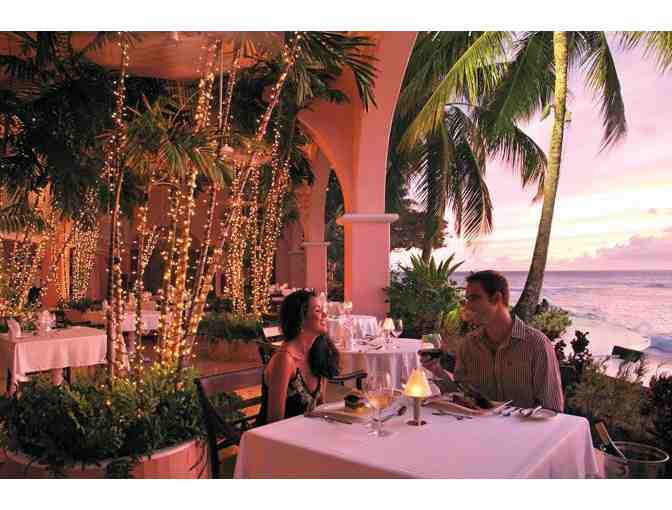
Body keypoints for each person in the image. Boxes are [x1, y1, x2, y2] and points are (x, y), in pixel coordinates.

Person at [422, 270, 564, 412]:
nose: (467, 306)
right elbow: (461, 395)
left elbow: (552, 408)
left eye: (474, 298)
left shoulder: (536, 345)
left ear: (496, 298)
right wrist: (437, 370)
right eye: (467, 300)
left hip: (523, 426)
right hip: (477, 424)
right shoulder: (469, 344)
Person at [257, 290, 340, 425]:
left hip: (307, 433)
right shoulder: (284, 360)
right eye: (318, 310)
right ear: (300, 319)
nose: (325, 315)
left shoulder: (318, 353)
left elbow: (320, 408)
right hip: (276, 436)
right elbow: (274, 422)